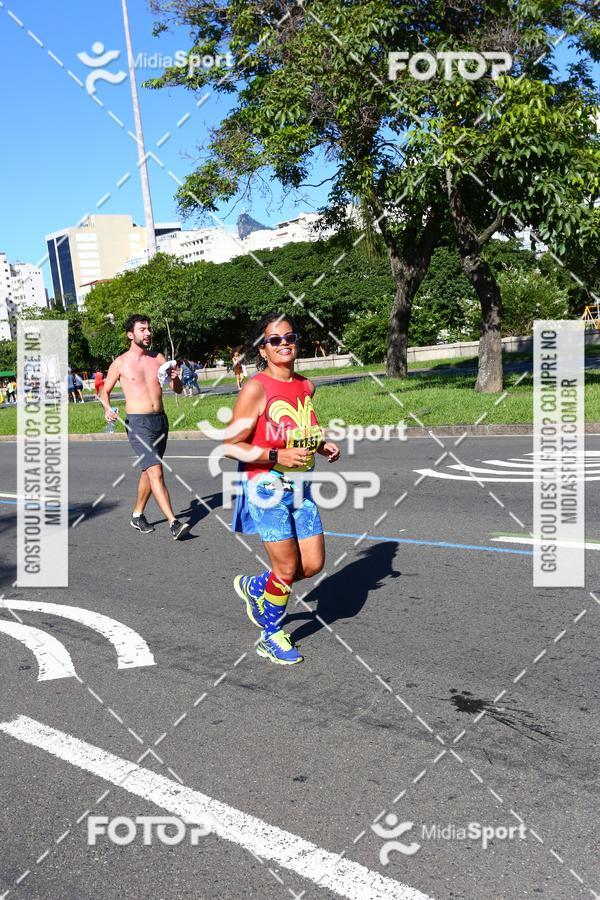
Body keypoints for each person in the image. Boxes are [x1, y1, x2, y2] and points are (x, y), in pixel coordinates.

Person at [224, 313, 340, 665]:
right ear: (263, 349)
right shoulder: (256, 388)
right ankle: (270, 635)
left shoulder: (306, 386)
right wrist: (277, 455)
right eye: (275, 340)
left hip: (301, 487)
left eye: (290, 337)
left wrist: (321, 445)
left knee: (313, 564)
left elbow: (297, 428)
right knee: (287, 569)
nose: (284, 343)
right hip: (266, 488)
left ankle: (257, 586)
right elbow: (230, 445)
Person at [98, 314, 190, 540]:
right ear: (131, 335)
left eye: (149, 329)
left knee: (149, 471)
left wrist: (176, 378)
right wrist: (107, 409)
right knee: (156, 471)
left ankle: (137, 515)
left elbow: (177, 389)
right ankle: (174, 523)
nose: (148, 333)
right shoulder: (120, 363)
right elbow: (104, 391)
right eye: (142, 329)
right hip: (138, 424)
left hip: (160, 421)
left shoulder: (158, 358)